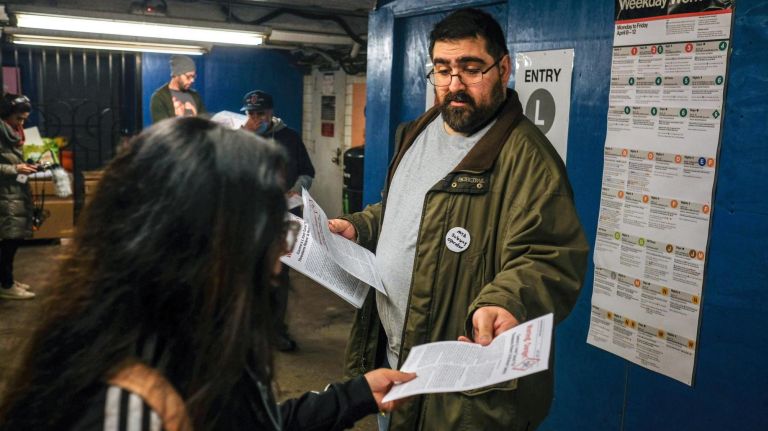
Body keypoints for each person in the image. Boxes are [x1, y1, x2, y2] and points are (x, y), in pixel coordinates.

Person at [0, 117, 414, 430]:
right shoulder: (126, 407)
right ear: (201, 242)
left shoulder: (194, 331)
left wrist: (355, 395)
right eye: (268, 227)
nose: (285, 249)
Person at [328, 8, 589, 431]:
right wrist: (361, 226)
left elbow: (549, 256)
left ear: (502, 68)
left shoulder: (528, 160)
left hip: (460, 393)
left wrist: (505, 300)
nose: (454, 85)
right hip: (394, 362)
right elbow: (405, 210)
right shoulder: (419, 130)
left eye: (471, 69)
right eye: (443, 70)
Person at [241, 89, 315, 351]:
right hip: (249, 221)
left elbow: (308, 171)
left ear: (271, 113)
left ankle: (275, 331)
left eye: (261, 113)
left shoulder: (290, 137)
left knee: (280, 276)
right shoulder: (240, 141)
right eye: (251, 114)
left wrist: (298, 187)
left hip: (284, 219)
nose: (256, 119)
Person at [0, 94, 37, 300]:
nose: (21, 124)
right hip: (4, 195)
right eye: (18, 119)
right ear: (6, 115)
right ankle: (6, 285)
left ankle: (6, 279)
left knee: (12, 239)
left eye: (24, 119)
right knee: (9, 240)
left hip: (15, 192)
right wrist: (16, 168)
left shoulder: (15, 133)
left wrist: (27, 168)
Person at [150, 55, 206, 123]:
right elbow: (163, 130)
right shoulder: (159, 97)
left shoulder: (195, 95)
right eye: (188, 77)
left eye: (193, 76)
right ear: (176, 75)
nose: (192, 80)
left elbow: (204, 123)